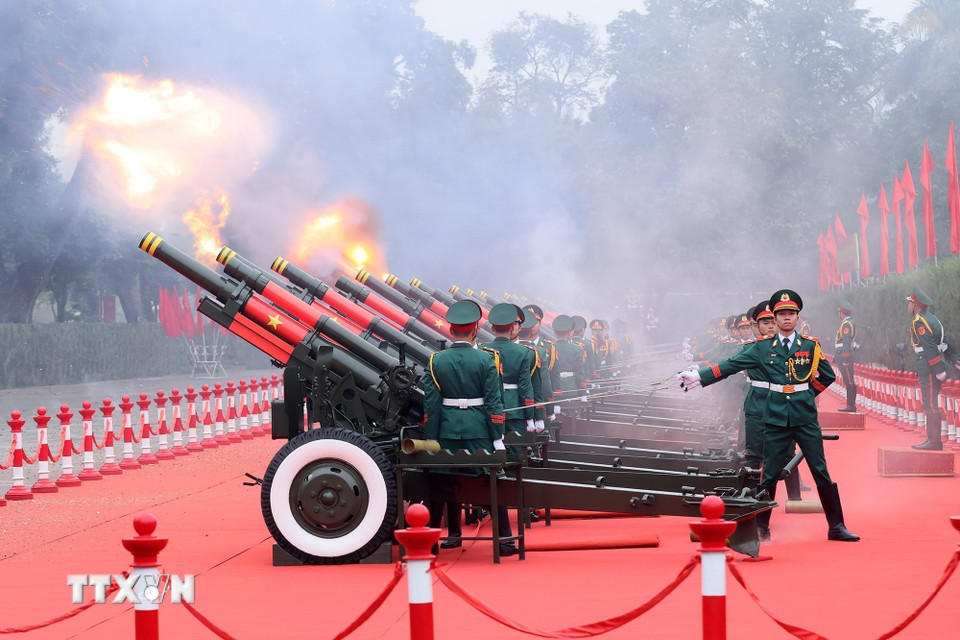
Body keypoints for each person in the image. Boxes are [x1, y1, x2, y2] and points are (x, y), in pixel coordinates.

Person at [678, 289, 859, 543]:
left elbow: (827, 376)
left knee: (820, 470)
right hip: (774, 417)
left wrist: (807, 394)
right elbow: (731, 364)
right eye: (781, 314)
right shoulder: (761, 348)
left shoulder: (810, 346)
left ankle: (837, 526)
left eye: (791, 314)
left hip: (805, 418)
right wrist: (699, 377)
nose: (786, 318)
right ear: (775, 317)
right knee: (770, 472)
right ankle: (762, 528)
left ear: (798, 318)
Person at [423, 300, 519, 556]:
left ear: (451, 330)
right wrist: (497, 436)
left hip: (447, 432)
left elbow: (431, 407)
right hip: (479, 431)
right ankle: (505, 540)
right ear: (475, 329)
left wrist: (431, 439)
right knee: (492, 481)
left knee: (440, 482)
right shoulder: (487, 360)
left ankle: (434, 540)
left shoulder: (436, 361)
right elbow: (494, 402)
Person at [480, 303, 538, 438]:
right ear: (512, 328)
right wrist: (530, 417)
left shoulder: (481, 350)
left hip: (488, 408)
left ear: (493, 327)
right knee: (516, 452)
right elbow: (525, 387)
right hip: (514, 409)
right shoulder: (523, 352)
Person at [907, 289, 953, 450]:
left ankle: (934, 442)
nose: (908, 306)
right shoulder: (933, 319)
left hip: (929, 365)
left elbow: (929, 346)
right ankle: (932, 440)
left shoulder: (918, 321)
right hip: (932, 364)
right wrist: (954, 359)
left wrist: (938, 368)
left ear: (915, 305)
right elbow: (944, 340)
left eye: (910, 303)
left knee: (930, 404)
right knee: (930, 402)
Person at [835, 300, 858, 412]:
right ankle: (850, 405)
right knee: (848, 379)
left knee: (849, 380)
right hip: (843, 355)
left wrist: (846, 358)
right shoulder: (847, 323)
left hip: (845, 356)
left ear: (842, 313)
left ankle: (851, 405)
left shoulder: (846, 324)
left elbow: (847, 342)